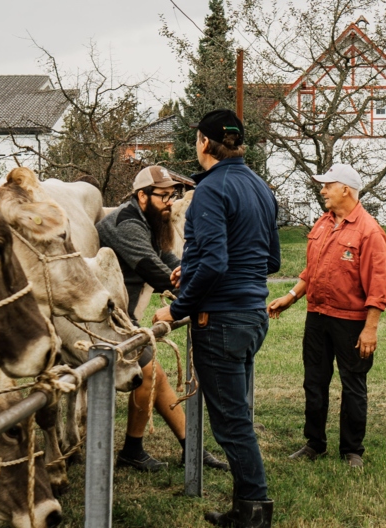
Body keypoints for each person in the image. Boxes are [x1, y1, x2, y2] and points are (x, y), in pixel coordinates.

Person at [153, 109, 280, 528]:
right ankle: (248, 506)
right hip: (252, 315)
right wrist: (191, 266)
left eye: (195, 140)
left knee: (230, 424)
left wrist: (175, 309)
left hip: (221, 319)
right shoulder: (261, 188)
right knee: (236, 415)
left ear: (204, 143)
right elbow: (271, 260)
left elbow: (214, 264)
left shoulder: (210, 190)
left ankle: (254, 510)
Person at [96, 165, 229, 472]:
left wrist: (193, 278)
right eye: (164, 196)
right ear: (142, 196)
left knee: (155, 377)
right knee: (150, 375)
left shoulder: (148, 220)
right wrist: (196, 294)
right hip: (102, 319)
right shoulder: (126, 224)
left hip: (120, 316)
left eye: (173, 195)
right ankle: (144, 449)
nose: (170, 202)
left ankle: (188, 447)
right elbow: (154, 270)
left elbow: (168, 259)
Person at [267, 163, 386, 469]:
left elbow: (377, 287)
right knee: (314, 382)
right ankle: (314, 443)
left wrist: (370, 329)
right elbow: (313, 272)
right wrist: (291, 297)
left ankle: (352, 450)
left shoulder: (369, 231)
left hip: (351, 322)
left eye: (328, 186)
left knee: (353, 384)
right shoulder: (322, 224)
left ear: (345, 190)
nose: (322, 191)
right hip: (317, 316)